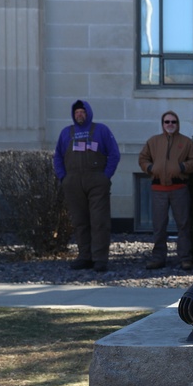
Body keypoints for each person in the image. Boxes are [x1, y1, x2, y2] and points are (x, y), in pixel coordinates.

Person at [53, 99, 120, 273]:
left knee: (99, 221)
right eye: (76, 113)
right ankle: (84, 257)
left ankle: (100, 259)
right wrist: (63, 178)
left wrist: (105, 176)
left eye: (82, 112)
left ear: (88, 113)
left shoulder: (101, 130)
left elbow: (114, 154)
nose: (79, 115)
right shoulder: (66, 133)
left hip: (97, 181)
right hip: (73, 182)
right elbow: (58, 157)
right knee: (80, 221)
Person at [138, 111, 193, 270]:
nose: (170, 124)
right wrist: (150, 168)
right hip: (158, 189)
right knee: (159, 226)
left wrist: (182, 167)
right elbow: (142, 158)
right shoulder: (153, 142)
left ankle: (185, 258)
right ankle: (158, 258)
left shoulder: (186, 142)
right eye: (167, 122)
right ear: (162, 124)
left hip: (179, 188)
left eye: (173, 122)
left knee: (183, 225)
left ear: (178, 123)